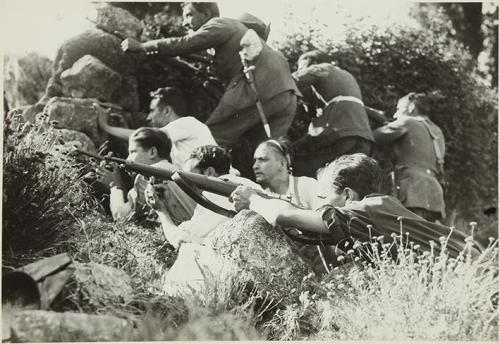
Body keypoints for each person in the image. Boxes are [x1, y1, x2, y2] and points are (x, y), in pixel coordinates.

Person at [121, 2, 300, 177]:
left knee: (211, 140)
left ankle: (200, 190)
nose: (185, 23)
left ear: (206, 13)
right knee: (268, 155)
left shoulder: (221, 23)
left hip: (257, 87)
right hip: (288, 96)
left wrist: (144, 46)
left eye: (189, 15)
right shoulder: (244, 39)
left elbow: (186, 43)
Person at [231, 154, 479, 270]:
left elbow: (283, 216)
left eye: (325, 198)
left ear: (348, 196)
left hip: (471, 279)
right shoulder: (384, 208)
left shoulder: (364, 211)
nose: (322, 207)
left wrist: (253, 198)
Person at [144, 145, 260, 295]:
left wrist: (161, 212)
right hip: (252, 269)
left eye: (189, 176)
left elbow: (180, 239)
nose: (185, 184)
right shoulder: (246, 184)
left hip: (245, 275)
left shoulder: (221, 188)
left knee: (188, 252)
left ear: (209, 172)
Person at [291, 50, 374, 178]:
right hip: (363, 136)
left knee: (297, 163)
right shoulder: (347, 76)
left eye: (302, 67)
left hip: (339, 132)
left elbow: (291, 80)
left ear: (314, 63)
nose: (300, 70)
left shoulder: (321, 69)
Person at [98, 86, 217, 169]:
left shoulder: (187, 122)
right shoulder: (178, 134)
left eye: (152, 111)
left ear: (167, 111)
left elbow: (143, 138)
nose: (148, 117)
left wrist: (105, 126)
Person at [373, 92, 446, 222]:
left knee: (407, 235)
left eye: (399, 109)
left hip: (413, 189)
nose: (396, 115)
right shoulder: (437, 131)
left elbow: (374, 137)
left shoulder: (407, 122)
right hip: (434, 193)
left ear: (411, 107)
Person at [99, 127, 196, 223]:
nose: (128, 159)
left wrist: (115, 185)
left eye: (133, 152)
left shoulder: (147, 177)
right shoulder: (178, 171)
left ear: (152, 152)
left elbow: (121, 217)